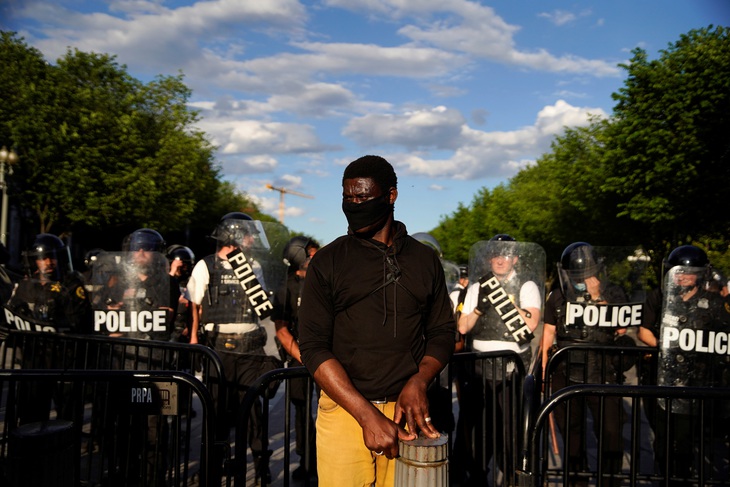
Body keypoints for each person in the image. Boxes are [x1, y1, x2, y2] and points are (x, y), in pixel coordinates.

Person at [298, 155, 456, 487]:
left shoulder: (424, 260)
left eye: (363, 197)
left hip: (408, 413)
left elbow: (442, 331)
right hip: (344, 411)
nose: (354, 205)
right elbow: (312, 347)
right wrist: (366, 415)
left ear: (391, 195)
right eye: (347, 197)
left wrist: (419, 382)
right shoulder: (327, 261)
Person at [187, 211, 284, 484]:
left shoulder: (252, 265)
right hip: (219, 349)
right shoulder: (206, 265)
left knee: (253, 411)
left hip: (250, 348)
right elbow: (195, 304)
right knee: (217, 412)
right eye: (247, 233)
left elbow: (262, 306)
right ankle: (212, 468)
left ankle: (261, 467)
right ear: (232, 235)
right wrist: (194, 338)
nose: (252, 238)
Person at [454, 234, 542, 484]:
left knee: (510, 431)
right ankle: (475, 476)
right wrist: (480, 308)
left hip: (511, 369)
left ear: (514, 259)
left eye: (505, 255)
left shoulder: (526, 285)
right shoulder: (477, 286)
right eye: (495, 254)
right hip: (479, 368)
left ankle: (512, 475)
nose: (499, 260)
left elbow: (530, 324)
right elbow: (463, 327)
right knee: (476, 429)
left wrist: (502, 298)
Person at [639, 245, 730, 484]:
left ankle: (683, 477)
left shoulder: (714, 303)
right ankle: (666, 476)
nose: (681, 276)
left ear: (700, 274)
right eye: (677, 272)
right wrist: (668, 347)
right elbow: (644, 331)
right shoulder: (659, 296)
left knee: (687, 439)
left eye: (687, 272)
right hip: (662, 376)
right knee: (663, 438)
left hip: (696, 380)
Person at [540, 242, 628, 487]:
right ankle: (576, 479)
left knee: (610, 432)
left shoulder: (614, 292)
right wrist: (544, 373)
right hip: (566, 371)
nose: (581, 280)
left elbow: (620, 327)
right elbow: (548, 335)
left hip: (603, 371)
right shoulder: (557, 294)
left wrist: (598, 298)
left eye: (585, 274)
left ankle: (610, 479)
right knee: (571, 431)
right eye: (576, 276)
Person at [5, 233, 91, 423]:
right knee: (30, 413)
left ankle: (64, 450)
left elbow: (80, 320)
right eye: (42, 258)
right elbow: (12, 316)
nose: (48, 262)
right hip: (34, 357)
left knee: (68, 414)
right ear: (34, 261)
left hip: (65, 358)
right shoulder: (25, 286)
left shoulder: (71, 284)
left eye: (52, 256)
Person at [271, 235, 320, 480]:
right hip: (299, 360)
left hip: (327, 358)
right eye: (311, 254)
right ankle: (306, 459)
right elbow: (281, 328)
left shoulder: (325, 280)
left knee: (330, 410)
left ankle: (326, 458)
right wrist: (303, 356)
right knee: (301, 412)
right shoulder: (285, 287)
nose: (315, 257)